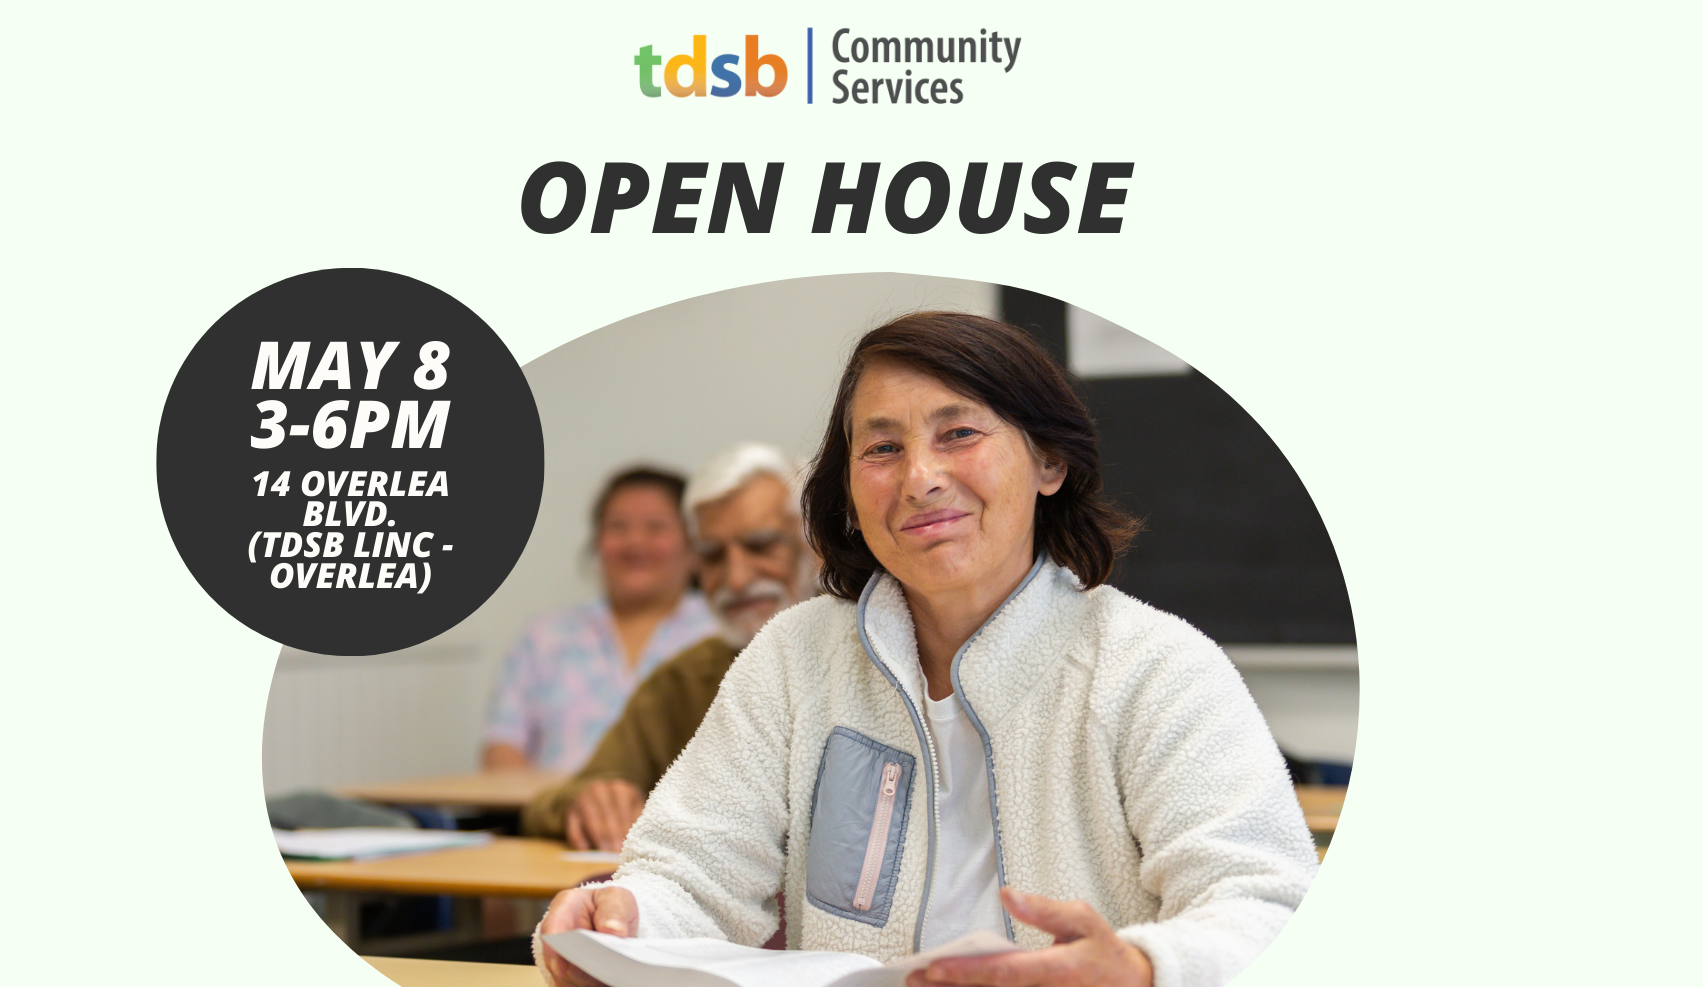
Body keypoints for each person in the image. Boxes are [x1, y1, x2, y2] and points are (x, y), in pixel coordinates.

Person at [537, 313, 1318, 987]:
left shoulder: (1154, 667)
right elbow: (691, 872)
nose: (920, 478)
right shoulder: (793, 658)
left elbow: (1268, 906)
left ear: (1049, 463)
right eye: (881, 449)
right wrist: (625, 914)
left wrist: (1145, 967)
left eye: (960, 434)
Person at [521, 442, 817, 851]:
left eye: (761, 546)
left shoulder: (876, 654)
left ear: (816, 548)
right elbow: (555, 801)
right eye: (712, 556)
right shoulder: (683, 682)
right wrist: (589, 802)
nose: (735, 579)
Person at [480, 466, 718, 773]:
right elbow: (501, 748)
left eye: (656, 527)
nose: (635, 542)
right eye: (618, 527)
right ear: (597, 541)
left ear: (693, 546)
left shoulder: (720, 635)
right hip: (550, 816)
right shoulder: (545, 636)